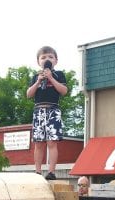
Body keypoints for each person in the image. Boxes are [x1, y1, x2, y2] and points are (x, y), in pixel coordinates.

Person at [27, 46, 67, 180]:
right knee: (38, 143)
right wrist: (38, 81)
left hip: (53, 110)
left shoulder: (59, 74)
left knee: (52, 142)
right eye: (43, 57)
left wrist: (51, 78)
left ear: (56, 60)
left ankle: (51, 172)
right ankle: (37, 172)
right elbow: (29, 94)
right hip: (39, 110)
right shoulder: (35, 77)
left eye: (50, 57)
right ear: (38, 61)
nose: (47, 59)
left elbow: (63, 91)